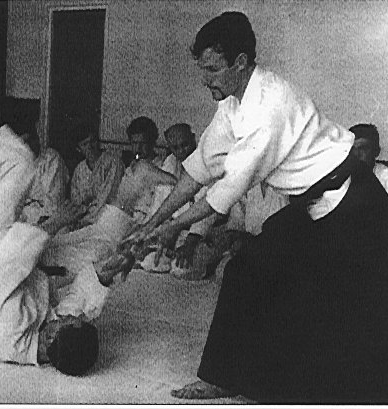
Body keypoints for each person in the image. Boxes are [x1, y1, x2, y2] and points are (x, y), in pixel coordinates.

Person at [125, 12, 388, 403]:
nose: (205, 79)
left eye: (213, 69)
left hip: (357, 205)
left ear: (240, 62)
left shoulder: (270, 105)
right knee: (245, 268)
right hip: (314, 203)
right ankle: (222, 377)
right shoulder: (232, 103)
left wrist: (168, 229)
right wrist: (153, 223)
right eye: (202, 69)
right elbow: (198, 169)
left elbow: (226, 191)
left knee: (350, 303)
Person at [0, 95, 98, 376]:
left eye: (69, 322)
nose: (68, 317)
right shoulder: (34, 339)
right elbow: (69, 301)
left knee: (21, 164)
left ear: (52, 337)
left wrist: (56, 223)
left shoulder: (9, 328)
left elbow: (7, 264)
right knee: (7, 178)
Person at [40, 157, 178, 334]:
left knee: (100, 243)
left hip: (36, 257)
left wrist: (54, 223)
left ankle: (143, 183)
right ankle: (143, 184)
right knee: (100, 242)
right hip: (43, 263)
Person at [140, 123, 219, 280]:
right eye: (176, 148)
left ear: (194, 139)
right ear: (170, 148)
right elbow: (160, 203)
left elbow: (208, 210)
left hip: (200, 234)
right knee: (150, 262)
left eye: (185, 144)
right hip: (175, 232)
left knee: (181, 270)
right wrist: (150, 236)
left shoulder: (208, 161)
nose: (182, 151)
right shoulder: (170, 163)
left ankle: (211, 261)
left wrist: (190, 244)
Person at [69, 122, 125, 228]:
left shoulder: (112, 162)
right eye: (84, 144)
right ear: (79, 149)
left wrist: (86, 218)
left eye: (93, 141)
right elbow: (76, 202)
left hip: (105, 220)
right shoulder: (79, 170)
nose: (90, 147)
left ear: (98, 142)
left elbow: (108, 198)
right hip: (82, 222)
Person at [20, 119, 70, 225]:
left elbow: (54, 202)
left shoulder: (51, 159)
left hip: (47, 220)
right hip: (22, 220)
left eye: (31, 139)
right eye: (24, 142)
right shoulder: (20, 163)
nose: (28, 145)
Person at [349, 123, 388, 192]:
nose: (356, 154)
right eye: (352, 149)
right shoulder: (341, 175)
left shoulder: (385, 177)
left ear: (376, 151)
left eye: (363, 148)